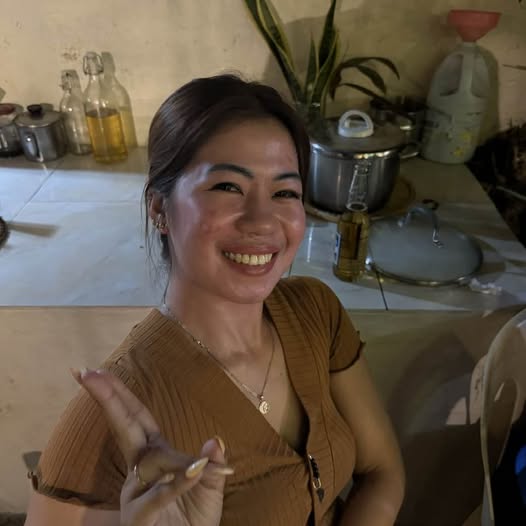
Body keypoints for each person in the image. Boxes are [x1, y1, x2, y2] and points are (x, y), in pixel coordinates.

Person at [24, 73, 405, 526]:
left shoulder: (315, 312)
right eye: (227, 187)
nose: (263, 221)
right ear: (159, 209)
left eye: (285, 192)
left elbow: (382, 473)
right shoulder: (110, 414)